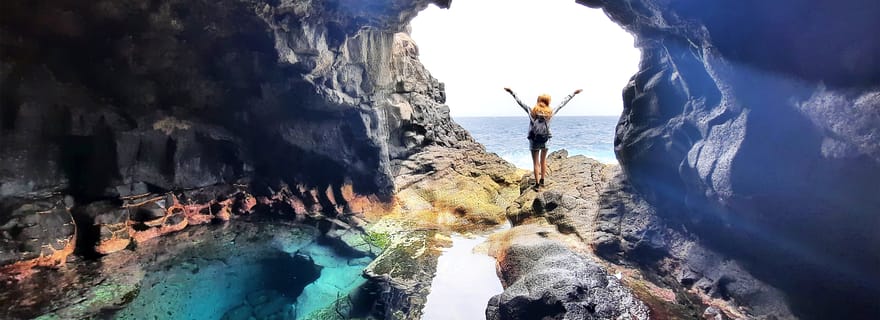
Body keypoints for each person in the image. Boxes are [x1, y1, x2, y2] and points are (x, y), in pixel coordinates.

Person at [504, 87, 583, 190]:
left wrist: (512, 92)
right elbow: (562, 104)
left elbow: (520, 102)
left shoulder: (532, 111)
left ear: (538, 101)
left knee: (536, 163)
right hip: (545, 140)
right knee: (543, 161)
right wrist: (573, 93)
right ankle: (542, 180)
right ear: (548, 102)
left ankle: (537, 185)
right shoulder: (550, 113)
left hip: (534, 140)